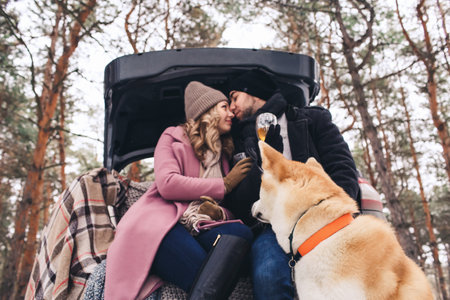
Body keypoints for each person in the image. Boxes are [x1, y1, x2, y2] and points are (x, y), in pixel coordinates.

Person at [105, 81, 253, 300]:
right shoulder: (173, 137)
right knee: (208, 276)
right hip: (165, 224)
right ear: (207, 111)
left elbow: (224, 205)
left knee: (241, 233)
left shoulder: (224, 156)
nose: (231, 112)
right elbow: (168, 184)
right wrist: (224, 185)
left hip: (201, 226)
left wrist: (219, 213)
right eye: (224, 106)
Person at [225, 69, 361, 300]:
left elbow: (343, 168)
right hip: (272, 227)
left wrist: (333, 212)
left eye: (234, 97)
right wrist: (261, 167)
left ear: (252, 93)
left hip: (324, 217)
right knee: (268, 275)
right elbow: (238, 203)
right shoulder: (240, 141)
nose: (231, 107)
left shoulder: (311, 119)